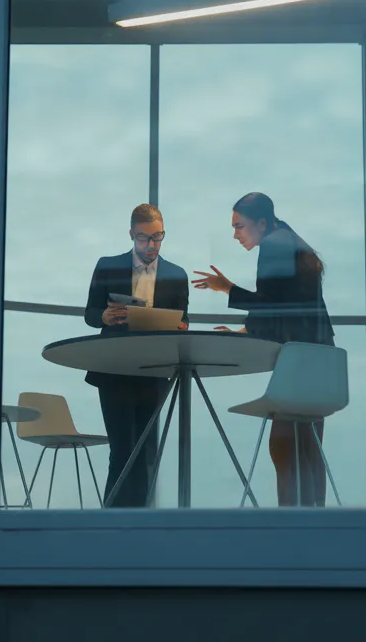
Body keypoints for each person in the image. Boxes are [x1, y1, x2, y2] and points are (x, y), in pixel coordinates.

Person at [191, 192, 334, 507]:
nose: (235, 234)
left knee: (283, 447)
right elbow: (282, 306)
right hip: (321, 361)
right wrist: (246, 328)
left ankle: (288, 530)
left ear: (262, 222)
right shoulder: (292, 243)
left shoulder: (274, 245)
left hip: (301, 362)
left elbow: (270, 305)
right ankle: (314, 527)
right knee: (308, 450)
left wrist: (227, 288)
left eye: (239, 226)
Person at [83, 203, 189, 507]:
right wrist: (104, 316)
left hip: (153, 370)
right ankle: (112, 526)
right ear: (131, 234)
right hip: (113, 368)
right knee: (121, 451)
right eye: (144, 238)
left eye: (158, 237)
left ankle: (141, 526)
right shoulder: (108, 265)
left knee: (147, 454)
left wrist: (181, 327)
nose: (151, 245)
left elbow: (184, 319)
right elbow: (90, 313)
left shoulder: (176, 274)